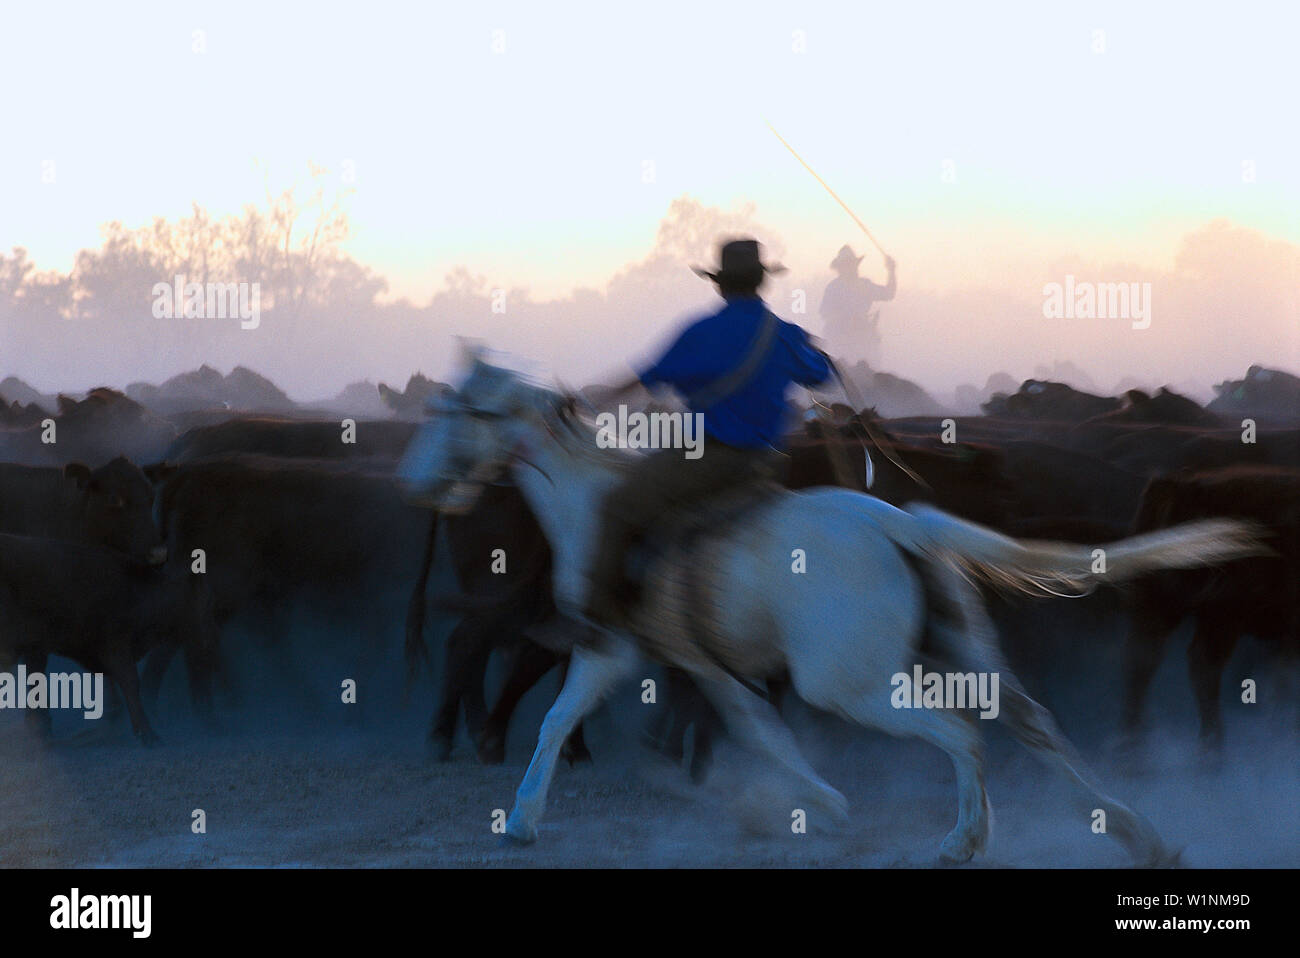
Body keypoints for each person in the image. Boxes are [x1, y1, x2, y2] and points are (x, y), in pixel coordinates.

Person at [583, 238, 832, 628]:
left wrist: (591, 401)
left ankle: (601, 618)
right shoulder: (786, 334)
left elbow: (648, 378)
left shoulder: (701, 331)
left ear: (720, 285)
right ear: (761, 282)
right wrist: (810, 350)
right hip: (768, 464)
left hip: (708, 459)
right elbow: (821, 374)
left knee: (617, 505)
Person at [819, 245, 896, 369]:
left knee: (869, 369)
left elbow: (888, 293)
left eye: (852, 264)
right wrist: (846, 318)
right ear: (840, 268)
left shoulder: (865, 285)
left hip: (864, 340)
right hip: (840, 341)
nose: (851, 268)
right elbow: (825, 313)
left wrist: (891, 271)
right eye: (847, 265)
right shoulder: (833, 288)